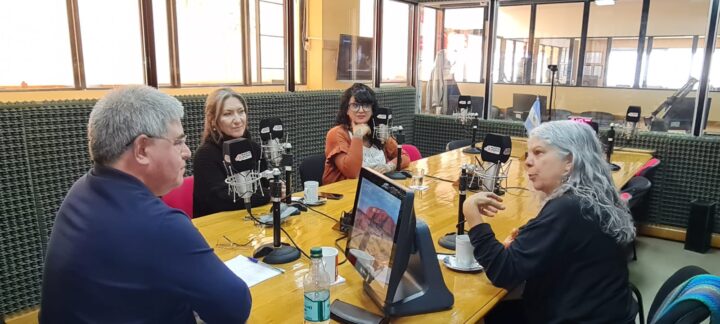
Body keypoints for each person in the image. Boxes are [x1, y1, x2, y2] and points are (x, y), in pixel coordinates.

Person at [40, 86, 252, 324]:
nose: (187, 152)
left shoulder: (81, 190)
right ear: (142, 149)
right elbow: (235, 308)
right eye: (178, 142)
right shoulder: (160, 224)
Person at [463, 120, 637, 323]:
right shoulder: (591, 197)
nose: (527, 161)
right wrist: (528, 239)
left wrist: (472, 214)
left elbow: (503, 271)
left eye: (538, 152)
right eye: (528, 153)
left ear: (569, 162)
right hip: (601, 311)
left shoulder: (569, 208)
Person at [193, 88, 270, 217]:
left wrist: (276, 187)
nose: (238, 120)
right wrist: (267, 195)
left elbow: (264, 186)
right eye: (228, 114)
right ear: (213, 120)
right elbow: (222, 200)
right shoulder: (205, 155)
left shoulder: (255, 148)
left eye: (241, 112)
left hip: (256, 220)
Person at [323, 83, 410, 185]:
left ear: (373, 110)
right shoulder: (337, 134)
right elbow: (352, 173)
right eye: (355, 105)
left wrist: (389, 166)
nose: (361, 110)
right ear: (347, 110)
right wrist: (358, 135)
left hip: (374, 189)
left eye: (366, 105)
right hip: (345, 193)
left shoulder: (377, 130)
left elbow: (404, 157)